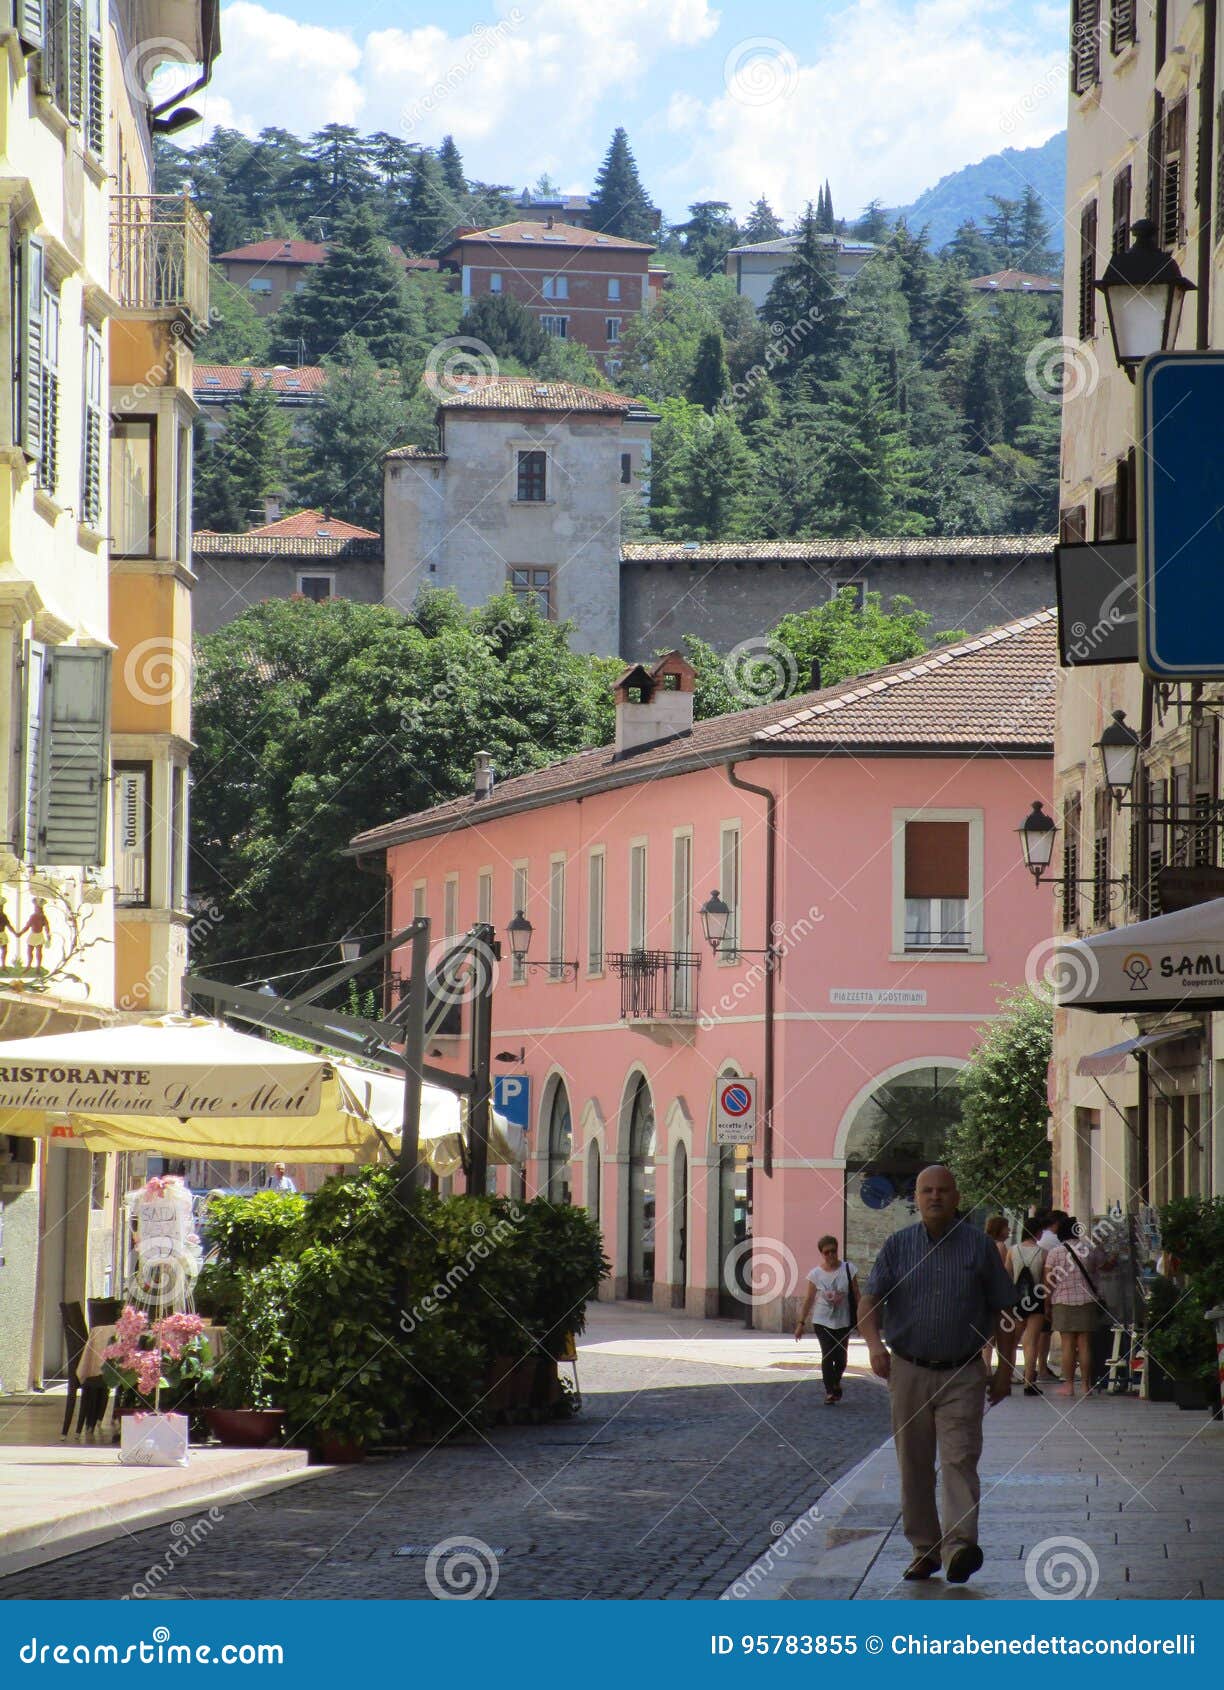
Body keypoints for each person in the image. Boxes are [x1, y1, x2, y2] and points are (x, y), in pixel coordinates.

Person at [858, 1165, 1017, 1585]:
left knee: (959, 1458)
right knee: (913, 1464)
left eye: (943, 1191)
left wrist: (1005, 1369)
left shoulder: (980, 1248)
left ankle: (960, 1547)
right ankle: (924, 1549)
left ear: (956, 1196)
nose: (935, 1198)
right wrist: (875, 1345)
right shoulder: (897, 1246)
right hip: (908, 1369)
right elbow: (869, 1301)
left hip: (963, 1371)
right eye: (927, 1191)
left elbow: (1006, 1311)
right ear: (916, 1197)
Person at [794, 1235, 859, 1405]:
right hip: (822, 1321)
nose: (830, 1255)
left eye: (833, 1251)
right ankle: (830, 1390)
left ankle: (836, 1381)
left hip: (844, 1320)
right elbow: (809, 1299)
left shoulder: (849, 1269)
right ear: (821, 1254)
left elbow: (856, 1294)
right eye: (826, 1252)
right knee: (828, 1354)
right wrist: (800, 1323)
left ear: (837, 1250)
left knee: (842, 1358)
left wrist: (863, 1316)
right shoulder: (815, 1274)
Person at [1044, 1220, 1103, 1397]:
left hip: (1063, 1301)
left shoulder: (1054, 1253)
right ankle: (1086, 1385)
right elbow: (1096, 1271)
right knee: (1085, 1345)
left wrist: (1047, 1303)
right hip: (1087, 1300)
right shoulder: (1088, 1250)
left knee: (1068, 1345)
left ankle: (1068, 1385)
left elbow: (1048, 1281)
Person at [1008, 1219, 1048, 1395]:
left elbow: (1007, 1277)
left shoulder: (1013, 1251)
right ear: (1037, 1232)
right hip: (1036, 1299)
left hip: (1016, 1300)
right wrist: (1047, 1304)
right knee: (1031, 1342)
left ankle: (1005, 1378)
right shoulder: (1043, 1253)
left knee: (1011, 1342)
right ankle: (1029, 1382)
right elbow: (1046, 1281)